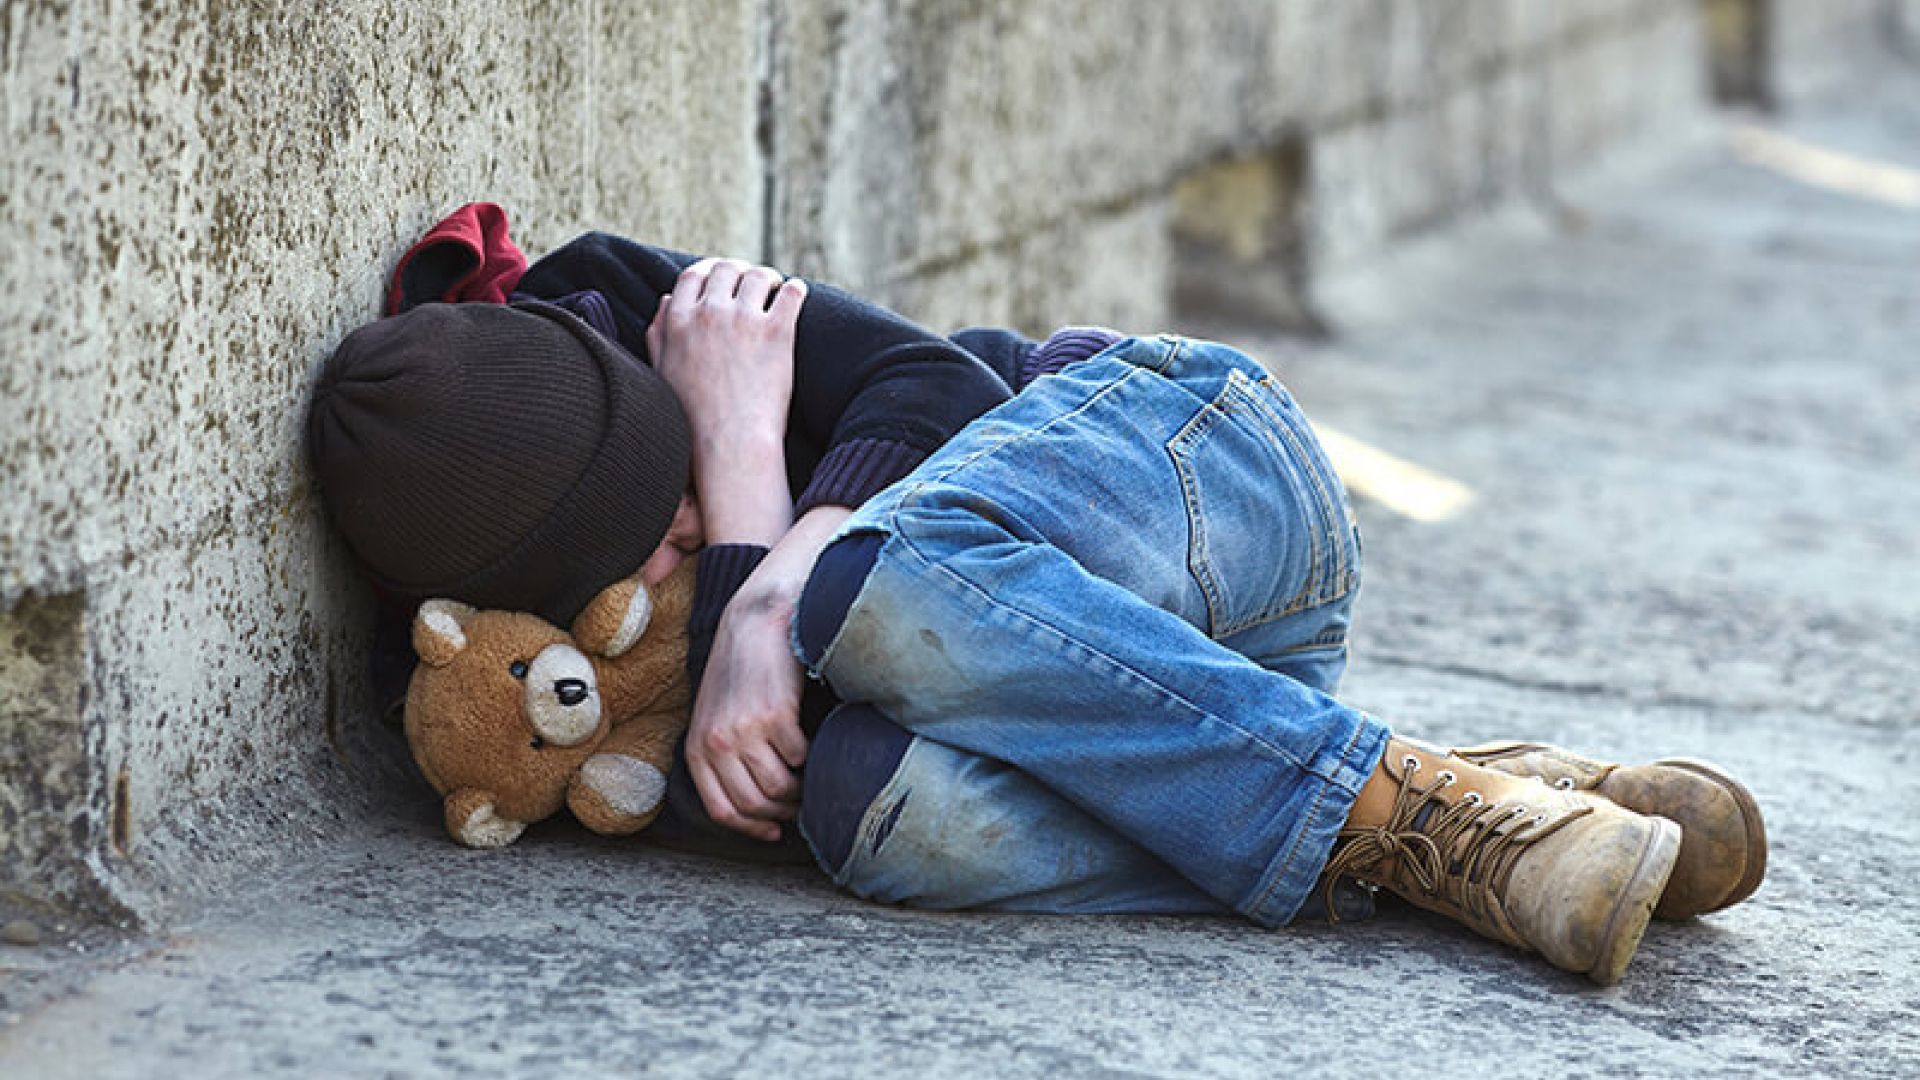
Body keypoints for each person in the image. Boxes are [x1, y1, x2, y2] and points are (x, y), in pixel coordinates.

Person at [309, 214, 1766, 984]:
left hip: (1197, 483)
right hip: (1153, 697)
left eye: (669, 466)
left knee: (862, 591)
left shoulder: (639, 306)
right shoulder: (501, 679)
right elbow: (734, 780)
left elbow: (931, 383)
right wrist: (742, 468)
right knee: (868, 814)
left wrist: (757, 579)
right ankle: (1451, 809)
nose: (685, 518)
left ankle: (1415, 821)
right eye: (649, 546)